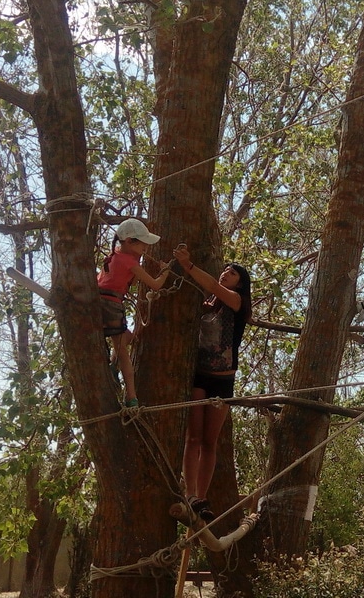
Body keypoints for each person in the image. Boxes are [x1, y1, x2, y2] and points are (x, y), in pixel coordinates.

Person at [173, 244, 252, 522]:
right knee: (192, 437)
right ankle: (191, 493)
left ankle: (201, 497)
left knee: (209, 441)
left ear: (240, 283)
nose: (224, 274)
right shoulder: (211, 305)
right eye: (224, 271)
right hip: (200, 376)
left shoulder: (236, 301)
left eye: (231, 273)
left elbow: (211, 285)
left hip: (223, 381)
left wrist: (188, 265)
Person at [98, 218, 170, 407]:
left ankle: (113, 366)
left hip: (100, 303)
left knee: (128, 337)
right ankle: (131, 396)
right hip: (112, 305)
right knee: (123, 351)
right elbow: (155, 284)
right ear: (130, 241)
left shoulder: (113, 256)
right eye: (143, 243)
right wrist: (166, 271)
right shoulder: (129, 261)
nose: (146, 247)